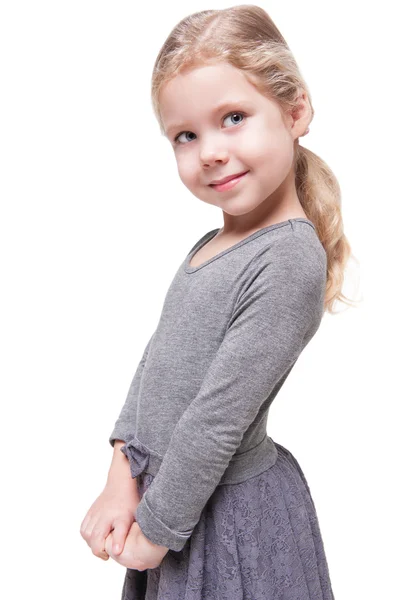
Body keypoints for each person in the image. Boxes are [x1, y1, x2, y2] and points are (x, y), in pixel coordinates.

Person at [80, 5, 358, 598]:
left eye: (233, 117)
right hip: (177, 502)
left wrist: (154, 531)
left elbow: (216, 419)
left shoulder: (286, 260)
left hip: (227, 521)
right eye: (186, 135)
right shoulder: (211, 245)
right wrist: (120, 476)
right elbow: (157, 361)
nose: (208, 150)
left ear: (295, 111)